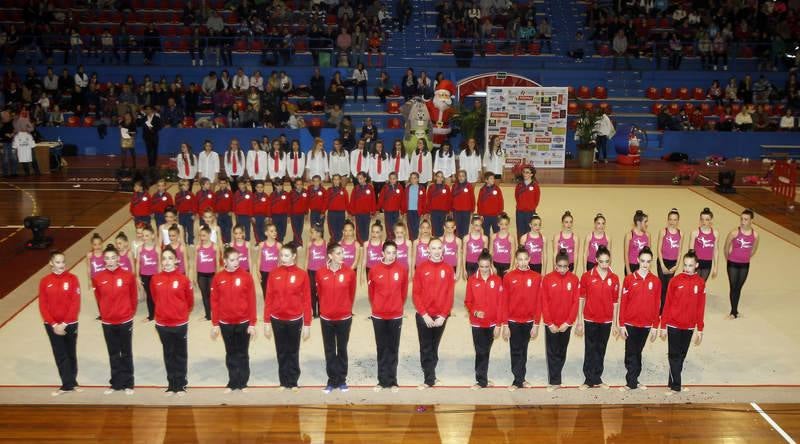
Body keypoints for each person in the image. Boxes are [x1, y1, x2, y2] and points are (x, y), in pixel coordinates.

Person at [264, 243, 312, 390]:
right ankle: (283, 381)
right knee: (281, 350)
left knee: (293, 350)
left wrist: (307, 324)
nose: (283, 258)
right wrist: (266, 321)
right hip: (277, 319)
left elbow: (307, 300)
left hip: (294, 320)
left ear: (294, 256)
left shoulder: (302, 274)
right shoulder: (274, 273)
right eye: (281, 255)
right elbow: (269, 298)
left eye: (286, 255)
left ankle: (293, 381)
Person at [92, 244, 138, 395]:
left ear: (118, 258)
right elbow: (98, 297)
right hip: (108, 322)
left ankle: (128, 383)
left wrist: (129, 312)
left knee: (126, 352)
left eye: (113, 258)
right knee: (113, 353)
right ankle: (116, 383)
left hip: (125, 320)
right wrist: (105, 313)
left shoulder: (127, 276)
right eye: (107, 258)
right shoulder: (98, 278)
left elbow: (133, 297)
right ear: (103, 260)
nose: (110, 261)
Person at [659, 249, 706, 395]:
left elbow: (700, 306)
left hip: (689, 326)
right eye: (685, 265)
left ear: (696, 265)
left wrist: (700, 328)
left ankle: (671, 383)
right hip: (673, 324)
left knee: (681, 356)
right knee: (674, 356)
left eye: (690, 265)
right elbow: (667, 304)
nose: (687, 268)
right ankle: (676, 386)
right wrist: (663, 325)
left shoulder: (700, 283)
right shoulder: (675, 281)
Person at [211, 246, 258, 392]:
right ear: (225, 261)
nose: (236, 262)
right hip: (225, 323)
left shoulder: (246, 276)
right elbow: (215, 301)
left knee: (243, 353)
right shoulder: (218, 278)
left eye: (238, 259)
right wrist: (215, 323)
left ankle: (243, 382)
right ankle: (232, 382)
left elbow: (252, 300)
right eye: (232, 260)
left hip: (243, 322)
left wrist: (252, 322)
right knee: (230, 353)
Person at [412, 238, 455, 389]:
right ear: (427, 250)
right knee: (425, 347)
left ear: (443, 250)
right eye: (433, 248)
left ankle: (430, 373)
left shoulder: (449, 269)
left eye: (439, 248)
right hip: (424, 315)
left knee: (434, 346)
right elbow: (416, 294)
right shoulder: (421, 268)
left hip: (440, 317)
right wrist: (424, 314)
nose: (436, 251)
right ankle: (429, 379)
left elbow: (450, 294)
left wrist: (444, 315)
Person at [150, 247, 194, 396]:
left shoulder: (183, 279)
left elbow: (189, 301)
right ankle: (171, 384)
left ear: (176, 260)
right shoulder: (155, 279)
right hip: (162, 324)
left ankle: (181, 384)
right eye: (164, 258)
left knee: (180, 354)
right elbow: (155, 298)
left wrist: (180, 313)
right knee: (168, 353)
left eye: (170, 258)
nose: (166, 261)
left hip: (179, 323)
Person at [39, 250, 82, 396]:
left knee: (71, 353)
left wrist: (64, 323)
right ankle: (67, 385)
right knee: (60, 354)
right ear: (51, 263)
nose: (61, 264)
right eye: (58, 262)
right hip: (52, 325)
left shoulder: (73, 279)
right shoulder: (45, 281)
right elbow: (43, 305)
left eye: (63, 261)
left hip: (70, 323)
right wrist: (53, 324)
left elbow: (75, 303)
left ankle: (72, 382)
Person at [577, 245, 620, 390]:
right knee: (590, 348)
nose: (604, 264)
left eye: (607, 261)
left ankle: (597, 377)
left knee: (601, 349)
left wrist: (615, 323)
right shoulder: (586, 276)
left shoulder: (614, 278)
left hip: (606, 320)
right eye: (601, 261)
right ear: (596, 260)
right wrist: (579, 320)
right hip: (590, 319)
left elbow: (615, 302)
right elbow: (581, 298)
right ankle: (588, 380)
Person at [317, 242, 358, 393]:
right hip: (326, 318)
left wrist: (346, 308)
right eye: (339, 253)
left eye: (343, 252)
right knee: (329, 349)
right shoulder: (320, 273)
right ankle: (331, 380)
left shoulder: (349, 273)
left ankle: (341, 380)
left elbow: (351, 293)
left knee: (342, 349)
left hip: (344, 318)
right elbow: (320, 293)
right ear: (330, 255)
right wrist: (326, 309)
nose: (343, 255)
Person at [618, 246, 661, 391]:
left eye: (648, 261)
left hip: (646, 324)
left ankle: (634, 379)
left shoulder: (655, 281)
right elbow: (623, 302)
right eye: (642, 261)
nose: (645, 264)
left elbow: (657, 304)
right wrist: (621, 324)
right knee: (631, 352)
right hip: (630, 323)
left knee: (638, 351)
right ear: (637, 260)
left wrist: (655, 325)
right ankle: (631, 382)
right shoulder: (629, 279)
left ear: (651, 262)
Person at [368, 240, 408, 392]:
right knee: (381, 347)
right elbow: (371, 292)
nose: (391, 256)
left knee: (393, 348)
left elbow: (403, 293)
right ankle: (381, 380)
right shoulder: (374, 270)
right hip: (378, 315)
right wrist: (378, 305)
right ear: (382, 253)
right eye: (388, 253)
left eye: (394, 253)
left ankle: (392, 381)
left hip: (395, 315)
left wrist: (396, 305)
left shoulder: (402, 270)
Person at [501, 247, 542, 390]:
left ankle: (522, 378)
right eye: (520, 259)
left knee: (523, 350)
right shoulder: (508, 277)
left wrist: (536, 324)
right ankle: (517, 380)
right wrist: (505, 324)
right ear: (516, 260)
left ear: (530, 259)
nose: (523, 262)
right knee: (515, 350)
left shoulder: (536, 277)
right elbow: (504, 301)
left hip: (529, 321)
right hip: (513, 321)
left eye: (525, 259)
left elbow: (539, 302)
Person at [541, 248, 580, 392]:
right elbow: (544, 302)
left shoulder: (574, 280)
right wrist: (549, 322)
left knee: (562, 350)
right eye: (560, 266)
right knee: (552, 351)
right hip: (551, 323)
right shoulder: (548, 279)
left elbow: (576, 302)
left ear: (569, 266)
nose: (562, 269)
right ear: (555, 265)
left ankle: (556, 376)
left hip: (565, 324)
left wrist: (568, 322)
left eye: (565, 266)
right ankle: (555, 380)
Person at [465, 249, 503, 389]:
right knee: (480, 351)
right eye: (482, 267)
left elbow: (500, 304)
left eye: (487, 267)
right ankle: (481, 381)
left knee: (486, 351)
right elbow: (468, 302)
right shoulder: (472, 280)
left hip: (492, 323)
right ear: (478, 265)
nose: (484, 270)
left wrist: (498, 325)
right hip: (477, 324)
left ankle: (483, 378)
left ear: (491, 265)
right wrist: (475, 313)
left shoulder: (498, 280)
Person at [723, 209, 759, 319]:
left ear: (751, 220)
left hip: (745, 264)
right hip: (732, 263)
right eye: (742, 219)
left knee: (739, 287)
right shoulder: (734, 232)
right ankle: (733, 312)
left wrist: (746, 257)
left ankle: (735, 310)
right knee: (733, 286)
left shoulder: (755, 235)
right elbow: (726, 247)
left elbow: (753, 250)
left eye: (746, 219)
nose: (743, 221)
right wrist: (728, 259)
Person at [656, 208, 682, 313]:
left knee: (668, 286)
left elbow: (680, 251)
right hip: (662, 261)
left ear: (678, 221)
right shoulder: (663, 231)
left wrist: (677, 265)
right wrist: (662, 265)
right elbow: (659, 249)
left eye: (675, 220)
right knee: (662, 286)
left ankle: (666, 307)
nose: (672, 222)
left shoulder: (681, 233)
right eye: (671, 219)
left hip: (673, 262)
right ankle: (661, 309)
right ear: (667, 220)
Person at [195, 226, 220, 321]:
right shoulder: (198, 247)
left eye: (204, 235)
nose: (202, 238)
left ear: (209, 235)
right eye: (200, 236)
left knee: (212, 295)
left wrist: (217, 275)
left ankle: (216, 313)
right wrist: (194, 275)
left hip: (211, 275)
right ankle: (208, 315)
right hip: (201, 274)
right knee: (204, 295)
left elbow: (217, 263)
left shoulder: (215, 247)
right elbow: (195, 262)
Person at [135, 226, 160, 322]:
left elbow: (159, 263)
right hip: (145, 275)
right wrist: (137, 276)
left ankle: (160, 312)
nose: (144, 237)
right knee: (149, 295)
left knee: (157, 294)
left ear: (152, 236)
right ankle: (151, 315)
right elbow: (138, 263)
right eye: (143, 235)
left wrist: (160, 276)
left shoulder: (157, 248)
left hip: (155, 275)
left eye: (147, 235)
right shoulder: (140, 249)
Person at [689, 207, 719, 282]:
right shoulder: (695, 232)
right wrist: (690, 265)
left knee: (702, 284)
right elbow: (690, 251)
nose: (704, 222)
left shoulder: (715, 233)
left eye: (707, 219)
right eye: (702, 219)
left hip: (708, 262)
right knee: (694, 283)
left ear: (711, 220)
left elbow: (715, 250)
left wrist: (715, 267)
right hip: (696, 262)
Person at [349, 172, 377, 243]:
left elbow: (373, 200)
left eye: (361, 178)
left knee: (366, 229)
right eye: (358, 179)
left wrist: (373, 212)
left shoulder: (370, 188)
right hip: (358, 214)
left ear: (365, 178)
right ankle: (360, 243)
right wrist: (352, 213)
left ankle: (365, 243)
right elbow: (352, 201)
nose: (359, 180)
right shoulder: (355, 189)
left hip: (367, 214)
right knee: (359, 230)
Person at [514, 166, 540, 237]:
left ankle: (529, 246)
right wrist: (521, 205)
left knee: (529, 230)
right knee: (520, 230)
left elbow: (536, 199)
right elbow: (516, 197)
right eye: (524, 172)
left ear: (531, 174)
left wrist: (531, 207)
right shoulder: (519, 185)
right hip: (520, 212)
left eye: (527, 172)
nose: (525, 174)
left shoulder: (535, 186)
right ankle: (521, 247)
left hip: (530, 212)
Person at [623, 210, 651, 275]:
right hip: (631, 266)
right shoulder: (629, 235)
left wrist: (648, 268)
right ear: (638, 223)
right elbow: (626, 255)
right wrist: (628, 270)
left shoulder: (647, 235)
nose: (646, 224)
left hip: (642, 266)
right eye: (645, 222)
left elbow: (648, 253)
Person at [403, 172, 427, 240]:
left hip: (417, 211)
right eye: (411, 178)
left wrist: (424, 212)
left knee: (416, 226)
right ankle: (411, 239)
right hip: (409, 210)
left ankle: (416, 239)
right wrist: (404, 211)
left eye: (415, 178)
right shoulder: (407, 188)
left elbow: (424, 200)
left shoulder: (421, 188)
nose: (413, 180)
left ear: (418, 179)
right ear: (410, 179)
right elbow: (404, 200)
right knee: (410, 226)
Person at [427, 171, 452, 237]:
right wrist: (428, 211)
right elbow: (428, 200)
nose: (440, 178)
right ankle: (435, 241)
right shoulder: (431, 187)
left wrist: (449, 211)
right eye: (438, 176)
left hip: (443, 211)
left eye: (441, 177)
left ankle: (441, 242)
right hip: (434, 211)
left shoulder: (446, 187)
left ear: (443, 178)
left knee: (442, 228)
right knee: (435, 228)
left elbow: (449, 200)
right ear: (435, 177)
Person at [490, 213, 515, 278]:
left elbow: (512, 253)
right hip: (495, 263)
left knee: (505, 285)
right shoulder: (494, 237)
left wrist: (511, 268)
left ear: (508, 225)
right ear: (498, 224)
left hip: (506, 264)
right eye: (501, 224)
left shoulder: (511, 238)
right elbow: (491, 252)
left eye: (506, 224)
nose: (503, 226)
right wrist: (492, 266)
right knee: (496, 284)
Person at [379, 172, 404, 238]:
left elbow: (402, 199)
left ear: (397, 179)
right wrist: (380, 207)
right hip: (388, 210)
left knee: (395, 225)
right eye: (391, 179)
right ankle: (389, 238)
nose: (392, 180)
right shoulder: (385, 187)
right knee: (388, 225)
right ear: (389, 179)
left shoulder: (400, 187)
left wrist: (402, 210)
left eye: (394, 178)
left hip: (396, 210)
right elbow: (381, 198)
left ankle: (395, 237)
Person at [451, 170, 475, 237]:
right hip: (456, 211)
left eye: (463, 176)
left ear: (466, 177)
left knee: (465, 229)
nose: (461, 178)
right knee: (456, 229)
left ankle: (464, 244)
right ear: (457, 177)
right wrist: (451, 210)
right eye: (459, 176)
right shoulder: (454, 186)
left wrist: (472, 210)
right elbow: (451, 199)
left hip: (466, 211)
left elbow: (472, 198)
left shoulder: (469, 186)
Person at [327, 174, 349, 242]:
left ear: (340, 181)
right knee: (332, 230)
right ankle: (333, 242)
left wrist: (350, 213)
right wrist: (322, 211)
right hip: (331, 213)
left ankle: (339, 242)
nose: (336, 181)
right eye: (334, 179)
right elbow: (326, 202)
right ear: (332, 181)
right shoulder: (329, 190)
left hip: (341, 213)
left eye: (337, 179)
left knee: (340, 229)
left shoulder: (344, 190)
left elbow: (347, 202)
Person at [289, 178, 309, 247]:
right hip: (294, 214)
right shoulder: (291, 193)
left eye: (301, 184)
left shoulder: (305, 192)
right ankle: (299, 243)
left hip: (302, 214)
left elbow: (307, 203)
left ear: (303, 185)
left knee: (300, 229)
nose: (299, 186)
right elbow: (289, 205)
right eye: (297, 184)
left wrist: (306, 213)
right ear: (295, 185)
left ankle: (295, 241)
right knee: (295, 229)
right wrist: (289, 215)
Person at [214, 178, 234, 245]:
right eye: (221, 183)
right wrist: (216, 212)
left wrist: (231, 211)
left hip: (228, 214)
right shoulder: (216, 193)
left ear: (226, 184)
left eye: (224, 183)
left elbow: (232, 202)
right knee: (221, 228)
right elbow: (215, 203)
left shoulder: (230, 193)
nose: (222, 185)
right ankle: (222, 241)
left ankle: (227, 242)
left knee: (228, 228)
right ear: (219, 184)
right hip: (219, 214)